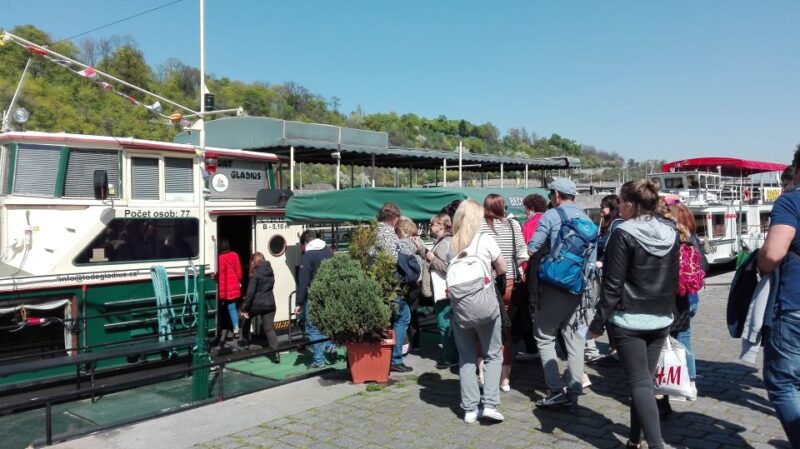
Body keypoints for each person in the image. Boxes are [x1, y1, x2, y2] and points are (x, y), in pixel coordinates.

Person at [588, 180, 679, 449]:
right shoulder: (670, 231)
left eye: (620, 202)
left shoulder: (622, 233)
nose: (618, 207)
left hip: (630, 319)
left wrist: (597, 324)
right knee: (644, 383)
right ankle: (634, 439)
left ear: (629, 204)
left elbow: (612, 285)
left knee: (639, 384)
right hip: (661, 317)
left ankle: (656, 444)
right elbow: (672, 279)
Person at [528, 178, 594, 409]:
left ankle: (555, 390)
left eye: (550, 194)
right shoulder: (587, 219)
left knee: (544, 336)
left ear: (556, 195)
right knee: (574, 338)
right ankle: (575, 388)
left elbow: (533, 247)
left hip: (554, 284)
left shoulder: (551, 215)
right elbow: (592, 261)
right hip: (579, 286)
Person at [449, 199, 507, 423]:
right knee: (493, 354)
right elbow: (502, 267)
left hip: (461, 309)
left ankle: (470, 409)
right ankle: (490, 404)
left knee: (466, 357)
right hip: (485, 305)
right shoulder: (485, 239)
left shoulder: (452, 244)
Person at [757, 147, 800, 448]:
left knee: (783, 383)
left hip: (794, 305)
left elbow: (773, 254)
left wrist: (759, 263)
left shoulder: (790, 201)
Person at [481, 193, 528, 392]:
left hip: (486, 283)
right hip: (509, 282)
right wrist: (510, 265)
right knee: (505, 330)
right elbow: (523, 254)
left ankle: (484, 375)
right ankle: (505, 379)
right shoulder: (513, 225)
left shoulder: (480, 226)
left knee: (484, 329)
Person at [669, 202, 706, 401]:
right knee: (684, 339)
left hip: (678, 298)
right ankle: (690, 382)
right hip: (692, 296)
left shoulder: (674, 239)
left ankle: (678, 382)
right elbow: (704, 266)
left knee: (674, 341)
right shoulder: (693, 238)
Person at [374, 202, 413, 373]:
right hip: (391, 284)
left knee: (387, 320)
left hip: (378, 282)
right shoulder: (388, 233)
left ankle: (383, 357)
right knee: (402, 317)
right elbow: (392, 259)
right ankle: (396, 359)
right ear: (395, 218)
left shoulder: (374, 231)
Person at [586, 194, 624, 365]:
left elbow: (609, 245)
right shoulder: (605, 223)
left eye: (603, 206)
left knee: (607, 308)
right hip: (601, 270)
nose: (601, 209)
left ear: (612, 208)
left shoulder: (617, 224)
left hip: (607, 271)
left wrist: (599, 254)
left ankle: (615, 348)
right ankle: (613, 347)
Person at [295, 229, 336, 369]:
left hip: (314, 295)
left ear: (305, 243)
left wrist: (298, 302)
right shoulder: (328, 251)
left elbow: (303, 280)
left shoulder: (308, 255)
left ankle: (319, 360)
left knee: (312, 327)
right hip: (329, 294)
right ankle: (330, 346)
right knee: (327, 323)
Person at [517, 193, 548, 360]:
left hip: (531, 272)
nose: (525, 211)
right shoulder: (548, 220)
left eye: (526, 208)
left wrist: (522, 270)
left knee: (527, 311)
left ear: (531, 208)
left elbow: (525, 250)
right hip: (547, 272)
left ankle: (532, 348)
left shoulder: (531, 223)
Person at [427, 213, 456, 369]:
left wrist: (432, 258)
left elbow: (447, 268)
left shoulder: (445, 243)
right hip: (443, 290)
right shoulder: (443, 241)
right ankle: (451, 355)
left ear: (441, 226)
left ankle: (449, 357)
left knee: (445, 323)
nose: (430, 226)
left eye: (433, 224)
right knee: (447, 323)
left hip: (443, 290)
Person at [241, 252, 280, 364]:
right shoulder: (270, 271)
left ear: (254, 261)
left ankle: (245, 342)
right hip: (270, 304)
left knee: (246, 317)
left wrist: (244, 308)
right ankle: (276, 353)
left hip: (257, 305)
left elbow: (250, 293)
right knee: (269, 328)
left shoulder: (255, 273)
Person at [217, 239, 243, 341]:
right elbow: (239, 270)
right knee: (232, 307)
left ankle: (219, 328)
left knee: (220, 307)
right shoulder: (234, 255)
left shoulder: (219, 258)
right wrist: (239, 280)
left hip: (224, 287)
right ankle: (236, 330)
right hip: (234, 285)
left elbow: (218, 274)